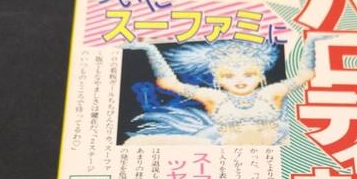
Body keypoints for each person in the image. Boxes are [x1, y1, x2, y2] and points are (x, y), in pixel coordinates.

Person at [122, 36, 325, 146]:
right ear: (218, 80)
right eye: (229, 76)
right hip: (225, 151)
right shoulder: (214, 97)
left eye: (249, 74)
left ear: (261, 76)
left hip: (275, 147)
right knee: (137, 143)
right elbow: (169, 84)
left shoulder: (272, 92)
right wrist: (150, 49)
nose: (240, 80)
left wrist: (311, 41)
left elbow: (305, 75)